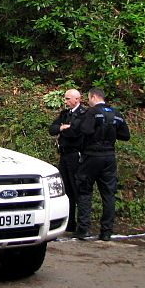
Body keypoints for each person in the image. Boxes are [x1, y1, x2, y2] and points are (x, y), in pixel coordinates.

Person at [72, 87, 130, 241]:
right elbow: (125, 135)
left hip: (91, 156)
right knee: (108, 194)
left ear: (93, 97)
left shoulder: (91, 112)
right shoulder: (116, 114)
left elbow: (85, 130)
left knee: (84, 191)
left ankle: (83, 229)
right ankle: (106, 231)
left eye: (89, 98)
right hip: (109, 157)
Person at [48, 89, 87, 232]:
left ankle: (81, 223)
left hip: (75, 155)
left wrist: (64, 129)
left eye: (68, 99)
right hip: (64, 155)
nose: (65, 101)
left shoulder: (83, 114)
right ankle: (69, 222)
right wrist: (62, 127)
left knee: (76, 189)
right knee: (66, 190)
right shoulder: (65, 114)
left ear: (77, 99)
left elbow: (75, 133)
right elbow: (52, 129)